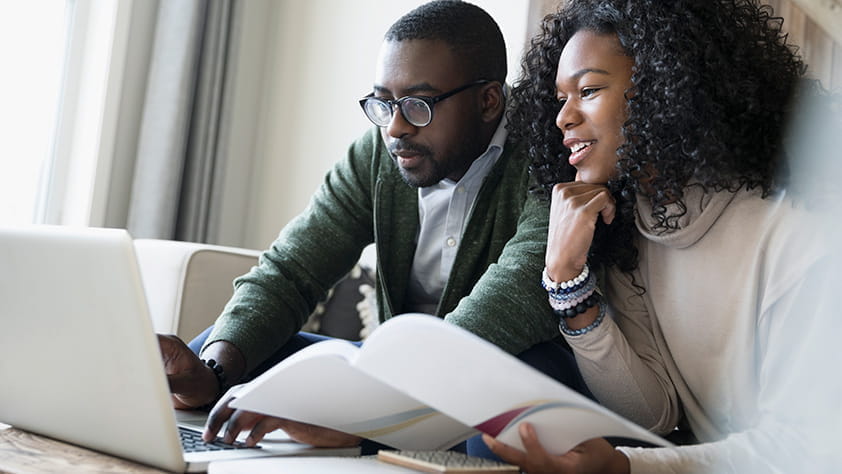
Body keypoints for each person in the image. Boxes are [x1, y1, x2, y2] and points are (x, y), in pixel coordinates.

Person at [157, 0, 588, 452]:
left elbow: (514, 298)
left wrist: (367, 412)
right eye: (383, 104)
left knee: (493, 425)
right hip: (395, 373)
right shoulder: (380, 155)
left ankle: (380, 433)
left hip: (510, 368)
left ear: (488, 101)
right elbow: (293, 270)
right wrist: (215, 373)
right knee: (219, 347)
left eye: (418, 105)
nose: (395, 128)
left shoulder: (550, 150)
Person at [482, 0, 840, 472]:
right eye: (559, 99)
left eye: (588, 89)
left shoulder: (798, 237)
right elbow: (654, 412)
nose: (562, 118)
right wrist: (566, 279)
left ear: (663, 88)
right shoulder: (634, 225)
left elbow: (805, 452)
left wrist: (623, 467)